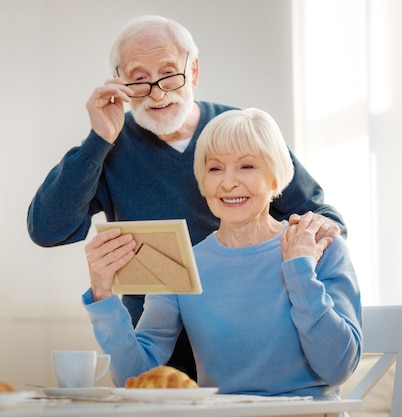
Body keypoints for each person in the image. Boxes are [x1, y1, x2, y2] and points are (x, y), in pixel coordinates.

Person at [27, 15, 345, 379]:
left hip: (248, 342)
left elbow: (322, 217)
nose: (158, 92)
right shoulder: (111, 147)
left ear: (192, 71)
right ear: (121, 82)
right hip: (154, 348)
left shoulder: (239, 131)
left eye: (168, 73)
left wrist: (314, 251)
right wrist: (99, 139)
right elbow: (47, 228)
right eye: (139, 79)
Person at [82, 108, 362, 399]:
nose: (228, 182)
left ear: (276, 179)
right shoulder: (183, 264)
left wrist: (300, 269)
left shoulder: (322, 247)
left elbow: (338, 368)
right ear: (202, 181)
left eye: (246, 166)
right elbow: (134, 376)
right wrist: (103, 296)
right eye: (215, 168)